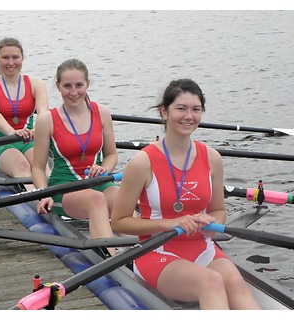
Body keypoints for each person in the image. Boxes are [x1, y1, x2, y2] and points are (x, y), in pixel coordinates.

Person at [111, 79, 261, 309]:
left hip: (203, 248)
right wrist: (170, 224)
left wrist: (211, 222)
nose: (188, 116)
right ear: (164, 111)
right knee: (211, 282)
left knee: (238, 287)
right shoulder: (142, 163)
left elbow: (218, 211)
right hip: (157, 251)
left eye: (196, 109)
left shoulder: (212, 158)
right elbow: (119, 222)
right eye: (181, 108)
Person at [32, 58, 119, 256]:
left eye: (79, 85)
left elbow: (111, 155)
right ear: (58, 86)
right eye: (67, 86)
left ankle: (150, 257)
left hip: (97, 182)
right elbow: (37, 167)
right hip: (64, 187)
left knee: (122, 198)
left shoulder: (102, 113)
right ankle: (112, 260)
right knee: (96, 200)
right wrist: (43, 194)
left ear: (88, 84)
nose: (73, 92)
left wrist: (105, 168)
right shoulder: (47, 120)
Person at [0, 37, 49, 191]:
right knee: (23, 167)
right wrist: (13, 132)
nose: (11, 62)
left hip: (28, 139)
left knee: (44, 170)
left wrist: (38, 131)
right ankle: (39, 204)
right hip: (0, 141)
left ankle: (55, 204)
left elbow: (44, 115)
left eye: (15, 57)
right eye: (5, 58)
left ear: (22, 57)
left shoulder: (36, 84)